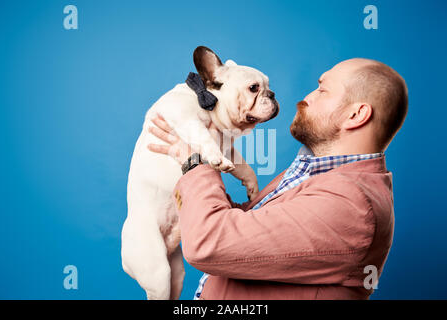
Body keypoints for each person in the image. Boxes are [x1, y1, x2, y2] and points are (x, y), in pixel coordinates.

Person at [147, 58, 408, 300]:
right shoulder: (320, 174)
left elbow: (209, 242)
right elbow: (249, 230)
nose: (306, 98)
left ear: (356, 115)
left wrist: (194, 162)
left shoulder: (351, 204)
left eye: (322, 90)